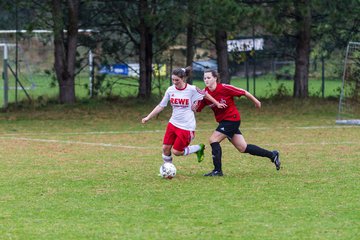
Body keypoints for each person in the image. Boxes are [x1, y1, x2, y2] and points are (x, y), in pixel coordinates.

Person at [194, 69, 280, 176]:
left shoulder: (224, 88)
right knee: (242, 148)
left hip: (232, 119)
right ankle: (272, 155)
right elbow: (197, 109)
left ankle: (217, 171)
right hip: (224, 122)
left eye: (208, 77)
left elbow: (244, 92)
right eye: (204, 78)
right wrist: (193, 103)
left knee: (213, 140)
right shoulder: (205, 94)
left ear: (215, 78)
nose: (206, 80)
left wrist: (256, 101)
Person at [142, 66, 226, 168]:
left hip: (186, 126)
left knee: (177, 151)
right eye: (172, 79)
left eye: (177, 80)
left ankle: (198, 148)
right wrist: (148, 117)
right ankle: (168, 169)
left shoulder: (192, 89)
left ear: (183, 78)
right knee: (165, 148)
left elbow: (205, 94)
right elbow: (161, 105)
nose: (174, 82)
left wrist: (217, 103)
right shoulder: (170, 90)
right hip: (173, 123)